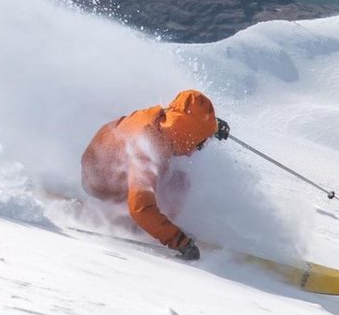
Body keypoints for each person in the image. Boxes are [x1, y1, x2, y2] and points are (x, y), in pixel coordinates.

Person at [80, 89, 229, 260]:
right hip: (100, 182)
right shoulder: (146, 152)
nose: (195, 151)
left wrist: (212, 126)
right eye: (200, 144)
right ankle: (141, 228)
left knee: (177, 179)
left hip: (102, 157)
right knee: (178, 184)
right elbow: (140, 208)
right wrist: (179, 241)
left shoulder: (162, 120)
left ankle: (157, 224)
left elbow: (187, 117)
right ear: (186, 136)